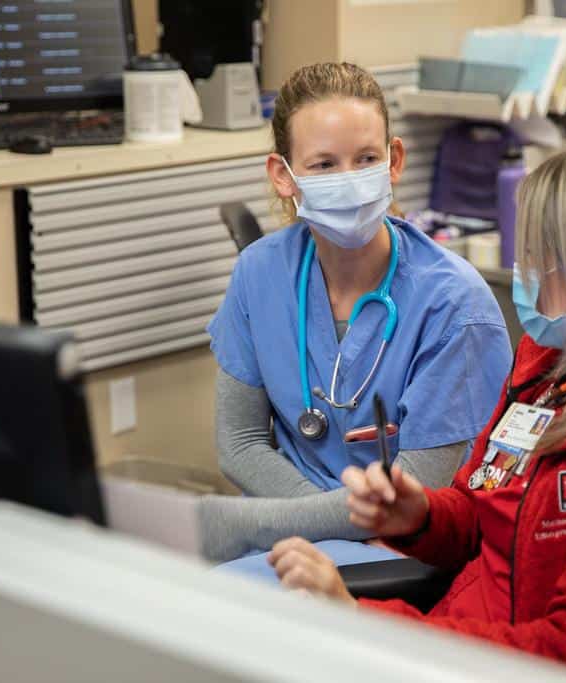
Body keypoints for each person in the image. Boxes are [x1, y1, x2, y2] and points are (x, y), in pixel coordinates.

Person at [269, 141, 566, 680]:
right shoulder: (546, 370)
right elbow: (482, 507)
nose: (526, 272)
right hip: (452, 647)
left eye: (543, 258)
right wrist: (422, 516)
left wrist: (363, 623)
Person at [200, 63, 512, 564]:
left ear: (393, 161)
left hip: (397, 551)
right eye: (324, 165)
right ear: (284, 175)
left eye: (366, 159)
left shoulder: (455, 305)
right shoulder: (259, 273)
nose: (349, 181)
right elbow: (239, 442)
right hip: (290, 530)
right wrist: (310, 526)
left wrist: (246, 524)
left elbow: (411, 495)